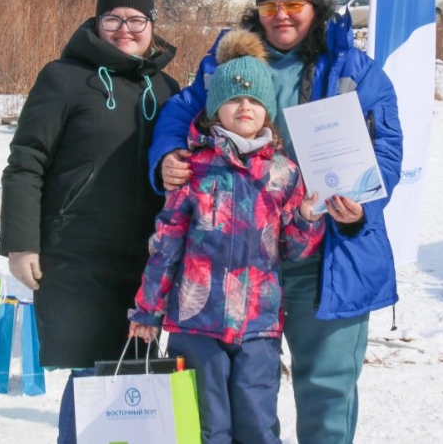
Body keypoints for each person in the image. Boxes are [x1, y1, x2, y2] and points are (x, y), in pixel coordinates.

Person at [148, 0, 404, 444]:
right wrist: (166, 156)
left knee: (326, 393)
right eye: (270, 4)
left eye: (294, 3)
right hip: (238, 265)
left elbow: (386, 150)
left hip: (327, 258)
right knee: (236, 406)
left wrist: (360, 209)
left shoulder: (356, 70)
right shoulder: (229, 64)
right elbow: (178, 114)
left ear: (316, 5)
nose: (281, 14)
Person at [0, 0, 180, 444]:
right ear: (97, 22)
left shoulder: (165, 88)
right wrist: (21, 243)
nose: (125, 29)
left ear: (153, 23)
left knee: (138, 374)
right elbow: (26, 161)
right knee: (92, 374)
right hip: (79, 254)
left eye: (136, 19)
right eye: (112, 18)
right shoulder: (64, 78)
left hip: (145, 258)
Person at [129, 29, 326, 443]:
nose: (244, 107)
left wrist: (307, 217)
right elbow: (165, 245)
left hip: (259, 326)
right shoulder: (192, 168)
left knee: (257, 423)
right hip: (196, 323)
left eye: (254, 100)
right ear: (215, 108)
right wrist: (148, 310)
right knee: (207, 426)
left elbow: (293, 248)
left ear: (267, 111)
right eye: (234, 98)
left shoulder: (284, 173)